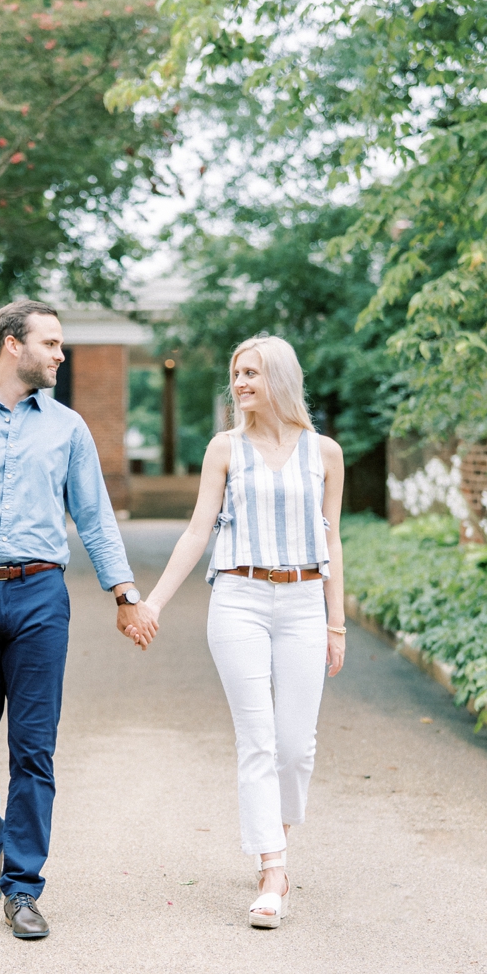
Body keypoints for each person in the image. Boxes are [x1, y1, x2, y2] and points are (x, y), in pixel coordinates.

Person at [0, 299, 156, 940]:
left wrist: (125, 594)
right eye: (51, 343)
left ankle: (22, 886)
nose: (60, 354)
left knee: (33, 749)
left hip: (40, 597)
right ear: (13, 345)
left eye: (62, 344)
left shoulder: (68, 428)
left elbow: (95, 516)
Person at [128, 334, 345, 929]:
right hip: (239, 600)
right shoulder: (225, 450)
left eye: (252, 373)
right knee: (257, 739)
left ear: (279, 378)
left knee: (296, 746)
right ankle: (273, 868)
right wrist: (154, 603)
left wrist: (337, 622)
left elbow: (331, 539)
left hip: (303, 600)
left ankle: (274, 832)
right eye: (237, 373)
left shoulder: (323, 452)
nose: (241, 383)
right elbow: (197, 532)